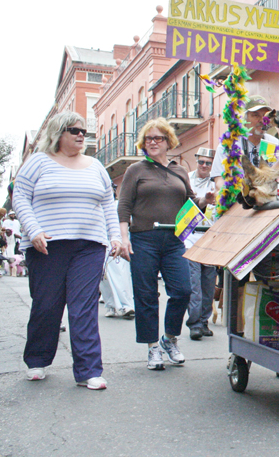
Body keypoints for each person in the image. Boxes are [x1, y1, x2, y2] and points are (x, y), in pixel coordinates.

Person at [12, 111, 122, 390]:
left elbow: (109, 204)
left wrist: (116, 237)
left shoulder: (95, 166)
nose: (80, 135)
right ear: (58, 133)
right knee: (47, 305)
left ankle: (88, 370)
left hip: (90, 246)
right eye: (74, 130)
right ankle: (37, 359)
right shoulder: (38, 162)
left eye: (83, 131)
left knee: (83, 307)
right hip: (47, 245)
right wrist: (33, 230)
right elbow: (21, 197)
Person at [118, 118, 214, 370]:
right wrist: (124, 237)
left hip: (173, 240)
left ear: (168, 142)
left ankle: (169, 339)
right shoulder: (135, 170)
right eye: (148, 138)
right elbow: (124, 205)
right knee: (146, 295)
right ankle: (152, 349)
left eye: (157, 138)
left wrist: (207, 199)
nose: (152, 142)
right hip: (143, 238)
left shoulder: (180, 170)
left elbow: (191, 204)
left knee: (183, 290)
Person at [210, 96, 279, 190]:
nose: (262, 120)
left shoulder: (274, 144)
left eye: (265, 116)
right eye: (256, 115)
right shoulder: (229, 145)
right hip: (240, 201)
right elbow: (219, 181)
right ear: (244, 119)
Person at [186, 147, 218, 340]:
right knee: (194, 284)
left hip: (211, 238)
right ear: (196, 161)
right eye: (201, 162)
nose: (204, 166)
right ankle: (194, 323)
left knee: (208, 284)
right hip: (190, 237)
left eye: (208, 163)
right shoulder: (187, 179)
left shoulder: (217, 181)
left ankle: (204, 321)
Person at [100, 184, 134, 319]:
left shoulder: (117, 205)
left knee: (120, 274)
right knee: (104, 278)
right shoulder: (97, 205)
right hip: (99, 243)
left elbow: (127, 221)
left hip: (116, 243)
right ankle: (111, 306)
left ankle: (126, 305)